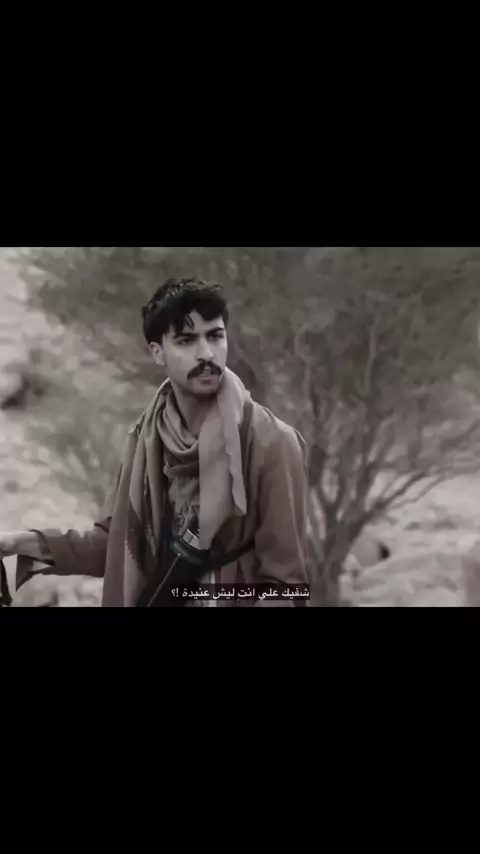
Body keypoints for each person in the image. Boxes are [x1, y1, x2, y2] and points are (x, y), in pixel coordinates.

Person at [0, 278, 308, 607]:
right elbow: (117, 545)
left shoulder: (270, 442)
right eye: (186, 340)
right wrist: (21, 543)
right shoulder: (147, 439)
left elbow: (287, 588)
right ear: (157, 352)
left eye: (215, 336)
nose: (206, 353)